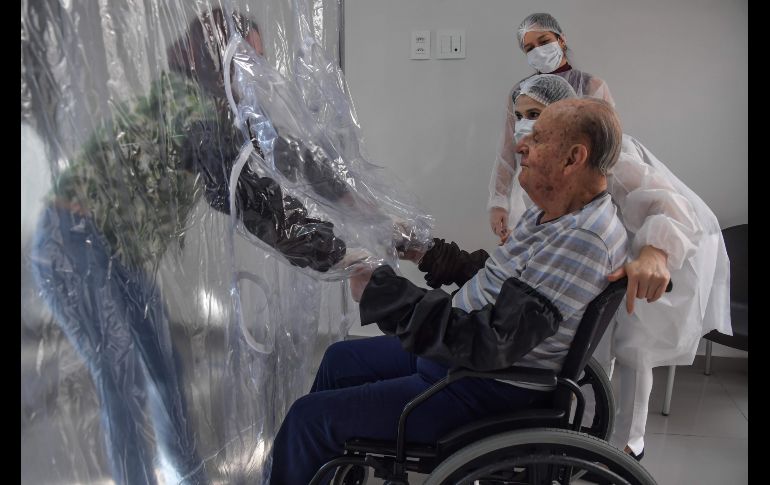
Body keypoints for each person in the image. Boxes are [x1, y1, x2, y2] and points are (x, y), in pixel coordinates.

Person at [29, 8, 349, 484]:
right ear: (215, 59)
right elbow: (240, 195)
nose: (256, 75)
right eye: (248, 62)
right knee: (123, 378)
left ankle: (187, 477)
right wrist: (333, 251)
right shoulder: (189, 108)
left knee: (163, 367)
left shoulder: (220, 113)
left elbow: (277, 151)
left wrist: (348, 199)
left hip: (117, 251)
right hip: (72, 244)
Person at [268, 97, 629, 484]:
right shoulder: (557, 216)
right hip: (462, 363)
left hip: (482, 387)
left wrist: (385, 292)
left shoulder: (582, 240)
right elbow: (498, 280)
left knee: (308, 420)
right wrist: (424, 251)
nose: (521, 146)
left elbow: (491, 341)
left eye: (538, 139)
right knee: (340, 359)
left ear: (573, 158)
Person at [474, 73, 731, 461]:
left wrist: (655, 252)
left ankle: (628, 445)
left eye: (535, 113)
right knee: (592, 349)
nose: (526, 123)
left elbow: (668, 206)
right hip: (600, 254)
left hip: (642, 250)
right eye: (520, 114)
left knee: (632, 349)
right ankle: (588, 435)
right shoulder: (542, 155)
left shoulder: (611, 155)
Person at [488, 12, 615, 241]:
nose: (537, 50)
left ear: (561, 40)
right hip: (528, 191)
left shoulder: (591, 86)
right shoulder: (520, 92)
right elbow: (507, 150)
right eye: (529, 48)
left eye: (544, 42)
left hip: (577, 193)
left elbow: (608, 148)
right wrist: (499, 202)